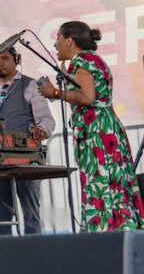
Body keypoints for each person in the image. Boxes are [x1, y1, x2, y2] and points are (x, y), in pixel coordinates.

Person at [37, 21, 144, 232]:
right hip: (105, 131)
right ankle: (121, 230)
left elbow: (86, 97)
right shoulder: (92, 60)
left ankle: (109, 233)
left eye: (58, 38)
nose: (55, 44)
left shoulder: (82, 60)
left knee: (102, 184)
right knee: (114, 186)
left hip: (98, 134)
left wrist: (56, 93)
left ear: (70, 40)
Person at [0, 44, 55, 234]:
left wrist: (40, 130)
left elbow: (46, 120)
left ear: (17, 60)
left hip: (26, 159)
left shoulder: (31, 85)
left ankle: (34, 254)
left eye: (4, 58)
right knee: (1, 215)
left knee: (30, 211)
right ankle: (5, 256)